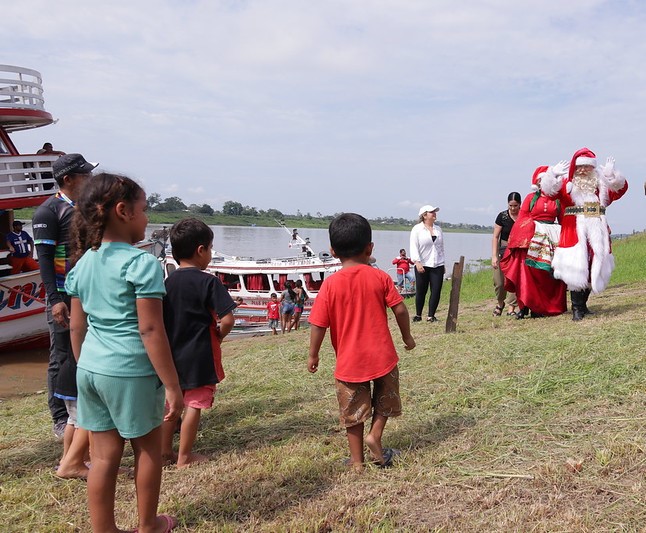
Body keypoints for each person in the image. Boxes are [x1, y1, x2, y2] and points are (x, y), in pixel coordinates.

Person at [65, 172, 183, 532]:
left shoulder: (83, 263)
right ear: (123, 211)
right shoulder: (141, 263)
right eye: (144, 210)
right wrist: (173, 386)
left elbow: (76, 327)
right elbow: (150, 330)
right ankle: (148, 525)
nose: (147, 218)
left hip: (90, 370)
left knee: (102, 458)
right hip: (131, 371)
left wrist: (86, 364)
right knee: (147, 450)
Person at [308, 213, 415, 469]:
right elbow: (400, 309)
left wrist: (313, 354)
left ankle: (357, 462)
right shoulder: (380, 277)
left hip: (349, 362)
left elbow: (318, 324)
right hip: (383, 356)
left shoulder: (330, 285)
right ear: (370, 248)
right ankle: (375, 435)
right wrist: (407, 337)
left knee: (353, 412)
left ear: (333, 251)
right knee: (386, 399)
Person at [161, 218, 236, 468]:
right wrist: (220, 335)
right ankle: (184, 456)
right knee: (194, 404)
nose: (211, 253)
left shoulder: (168, 282)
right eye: (211, 248)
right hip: (201, 355)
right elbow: (228, 319)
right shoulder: (209, 281)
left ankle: (164, 452)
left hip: (172, 354)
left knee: (171, 404)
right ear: (201, 250)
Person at [33, 153, 98, 440]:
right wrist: (54, 300)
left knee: (86, 349)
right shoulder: (48, 212)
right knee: (60, 355)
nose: (91, 179)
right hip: (63, 294)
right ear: (68, 179)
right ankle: (60, 417)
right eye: (86, 175)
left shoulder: (88, 208)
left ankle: (86, 406)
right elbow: (45, 261)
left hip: (87, 292)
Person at [540, 148, 628, 320]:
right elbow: (549, 193)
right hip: (574, 232)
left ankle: (583, 305)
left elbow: (619, 191)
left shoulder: (601, 186)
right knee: (577, 268)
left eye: (587, 167)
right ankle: (577, 308)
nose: (582, 170)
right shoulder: (567, 185)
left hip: (597, 231)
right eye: (579, 167)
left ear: (593, 168)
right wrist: (552, 176)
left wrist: (612, 176)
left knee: (594, 264)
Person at [500, 167, 567, 318]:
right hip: (533, 236)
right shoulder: (531, 198)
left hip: (553, 237)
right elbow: (522, 218)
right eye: (541, 180)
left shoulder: (557, 199)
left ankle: (547, 306)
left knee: (549, 273)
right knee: (529, 273)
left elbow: (563, 219)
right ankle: (526, 305)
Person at [409, 205, 445, 323]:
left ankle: (431, 316)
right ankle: (418, 314)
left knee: (436, 290)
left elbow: (441, 248)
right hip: (423, 264)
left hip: (437, 264)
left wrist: (443, 263)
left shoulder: (438, 229)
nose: (434, 214)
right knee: (421, 290)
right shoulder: (417, 229)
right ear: (424, 215)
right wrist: (417, 262)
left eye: (435, 212)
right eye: (432, 212)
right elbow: (413, 246)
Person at [491, 193, 521, 316]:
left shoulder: (524, 216)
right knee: (499, 282)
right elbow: (495, 237)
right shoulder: (502, 216)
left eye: (515, 206)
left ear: (520, 204)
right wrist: (494, 256)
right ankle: (500, 303)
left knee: (514, 280)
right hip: (503, 251)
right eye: (510, 206)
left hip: (517, 252)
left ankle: (511, 308)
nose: (513, 208)